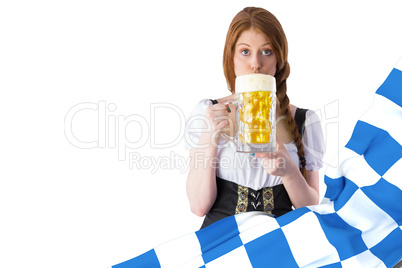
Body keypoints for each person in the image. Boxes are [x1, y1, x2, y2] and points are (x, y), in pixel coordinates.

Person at [184, 7, 325, 229]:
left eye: (266, 51)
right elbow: (199, 206)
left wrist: (289, 171)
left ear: (279, 58)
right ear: (231, 57)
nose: (256, 64)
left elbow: (310, 209)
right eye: (245, 51)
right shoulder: (208, 112)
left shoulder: (304, 120)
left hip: (279, 244)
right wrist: (209, 137)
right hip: (222, 244)